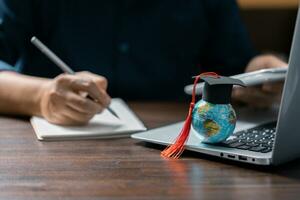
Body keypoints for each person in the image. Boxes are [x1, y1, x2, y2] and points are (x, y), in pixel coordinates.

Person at [0, 0, 287, 125]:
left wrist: (258, 77)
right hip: (50, 152)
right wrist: (40, 97)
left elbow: (235, 69)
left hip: (175, 150)